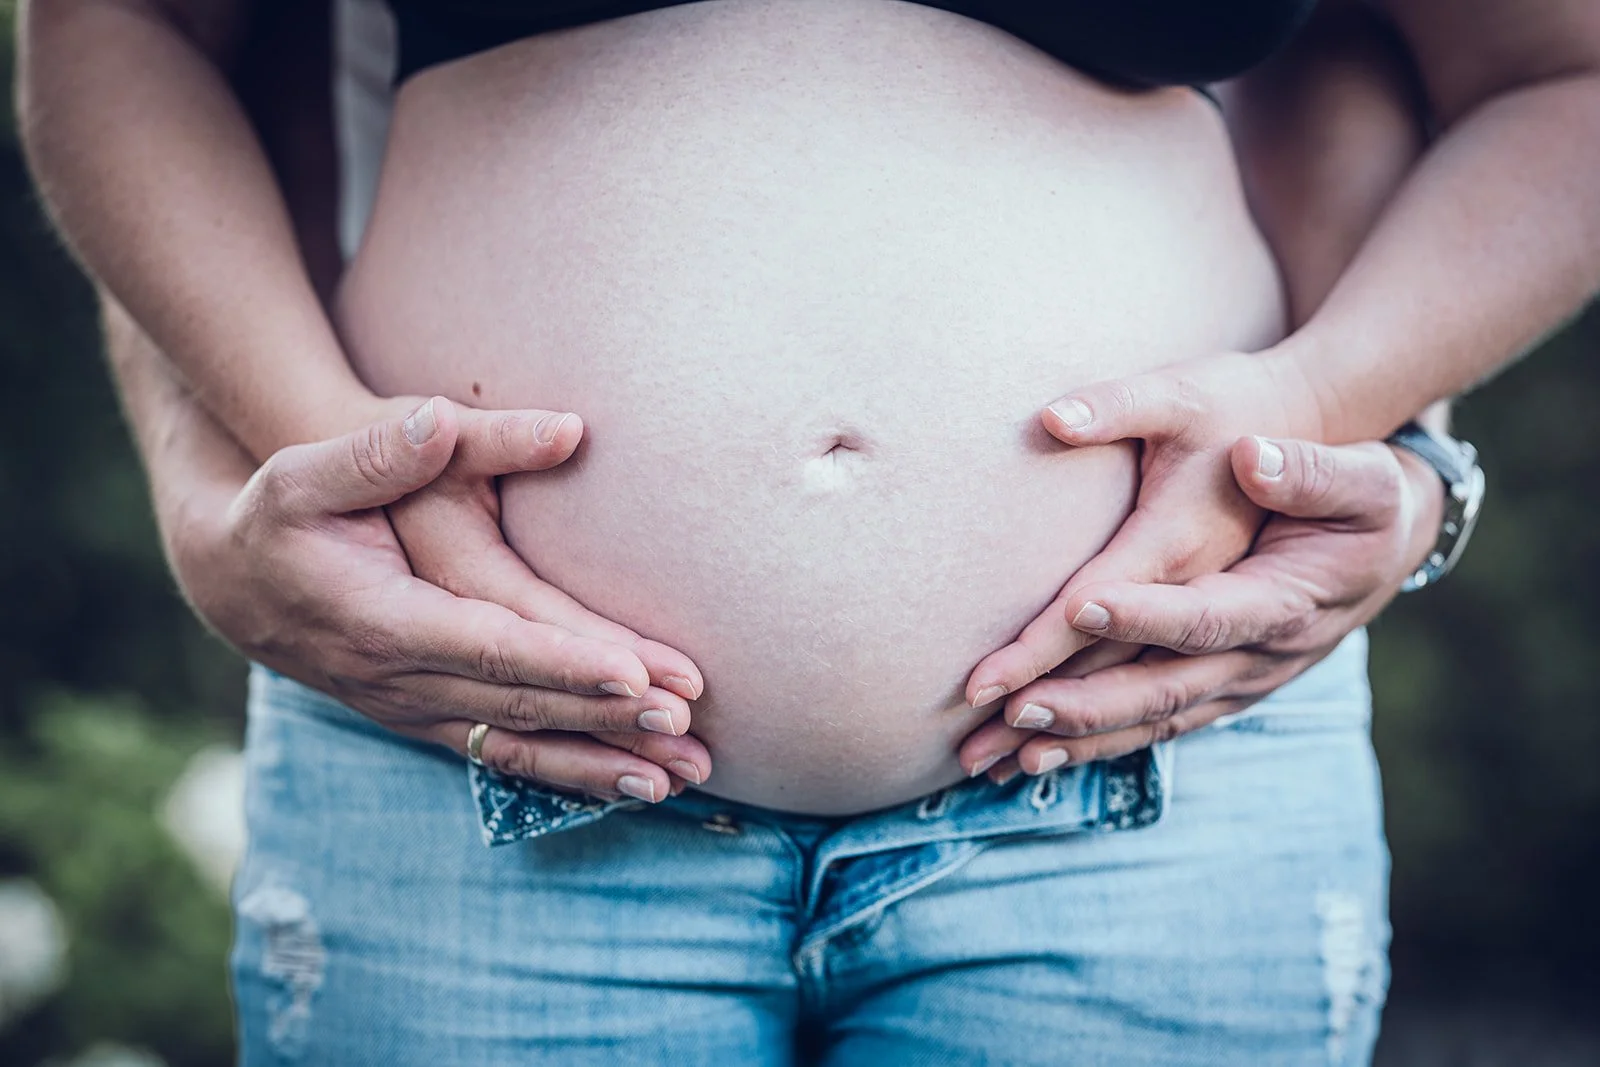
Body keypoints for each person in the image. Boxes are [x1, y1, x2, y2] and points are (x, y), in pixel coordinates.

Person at [18, 0, 1600, 1061]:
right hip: (469, 745)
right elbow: (125, 27)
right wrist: (277, 461)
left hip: (1138, 766)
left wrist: (1337, 403)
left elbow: (1555, 75)